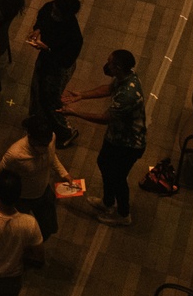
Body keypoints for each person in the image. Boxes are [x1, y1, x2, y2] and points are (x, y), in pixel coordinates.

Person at [62, 48, 146, 226]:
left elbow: (105, 118)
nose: (106, 65)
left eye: (110, 63)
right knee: (104, 163)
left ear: (118, 67)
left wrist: (75, 113)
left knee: (118, 178)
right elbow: (108, 89)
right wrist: (82, 96)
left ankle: (123, 214)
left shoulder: (128, 95)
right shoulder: (125, 78)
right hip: (116, 137)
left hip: (129, 144)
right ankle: (108, 202)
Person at [0, 115, 76, 250]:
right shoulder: (15, 155)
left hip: (43, 192)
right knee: (18, 230)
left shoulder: (50, 138)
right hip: (21, 199)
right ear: (30, 137)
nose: (45, 147)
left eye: (47, 143)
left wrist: (63, 173)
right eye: (41, 144)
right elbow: (0, 175)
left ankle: (34, 246)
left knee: (48, 226)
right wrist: (6, 201)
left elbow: (52, 156)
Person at [27, 0, 85, 146]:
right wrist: (37, 29)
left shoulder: (74, 35)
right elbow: (42, 17)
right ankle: (37, 119)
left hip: (58, 68)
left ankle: (65, 132)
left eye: (57, 12)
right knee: (37, 89)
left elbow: (66, 61)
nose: (53, 12)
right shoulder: (50, 7)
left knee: (51, 100)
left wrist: (47, 49)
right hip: (45, 60)